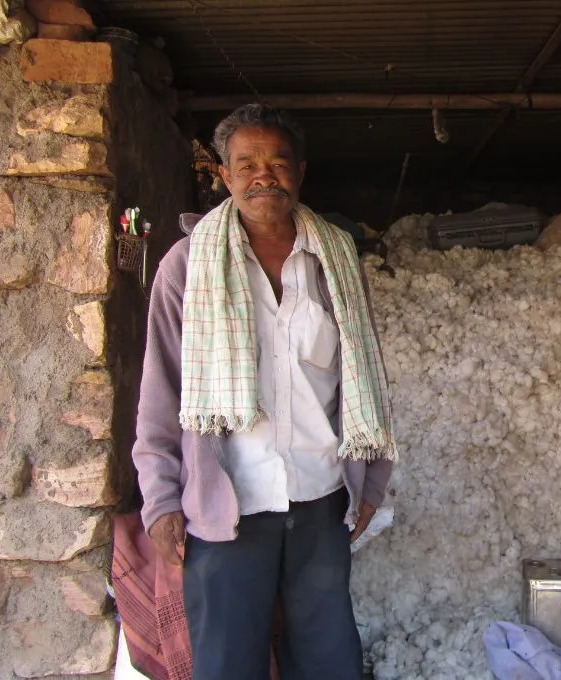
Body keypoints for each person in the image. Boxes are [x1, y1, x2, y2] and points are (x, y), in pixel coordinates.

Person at [132, 103, 397, 680]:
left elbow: (362, 377)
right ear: (224, 176)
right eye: (245, 163)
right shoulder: (186, 266)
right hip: (226, 508)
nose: (263, 175)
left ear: (300, 171)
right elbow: (161, 389)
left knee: (329, 659)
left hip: (321, 497)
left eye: (277, 162)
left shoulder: (336, 262)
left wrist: (370, 480)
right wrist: (161, 499)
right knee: (228, 662)